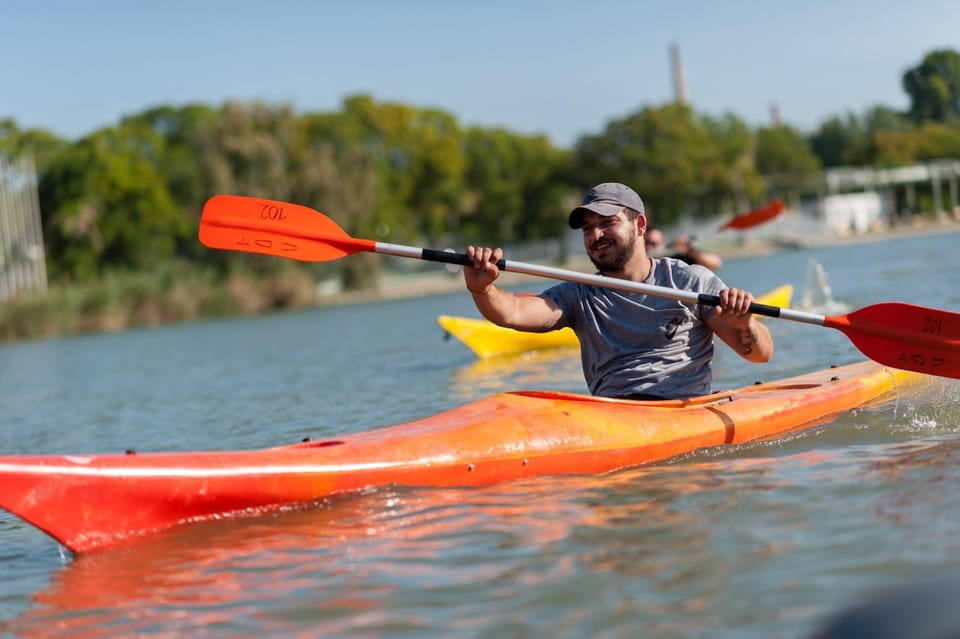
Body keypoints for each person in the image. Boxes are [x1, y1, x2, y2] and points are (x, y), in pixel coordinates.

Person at [464, 182, 773, 400]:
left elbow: (760, 355)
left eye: (606, 223)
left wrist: (744, 324)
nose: (595, 235)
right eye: (587, 228)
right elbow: (513, 312)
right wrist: (484, 289)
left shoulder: (691, 282)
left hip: (684, 410)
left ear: (639, 225)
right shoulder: (578, 294)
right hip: (613, 415)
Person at [645, 226, 723, 271]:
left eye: (657, 243)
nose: (654, 247)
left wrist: (690, 250)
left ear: (663, 242)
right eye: (649, 243)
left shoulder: (676, 261)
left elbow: (716, 263)